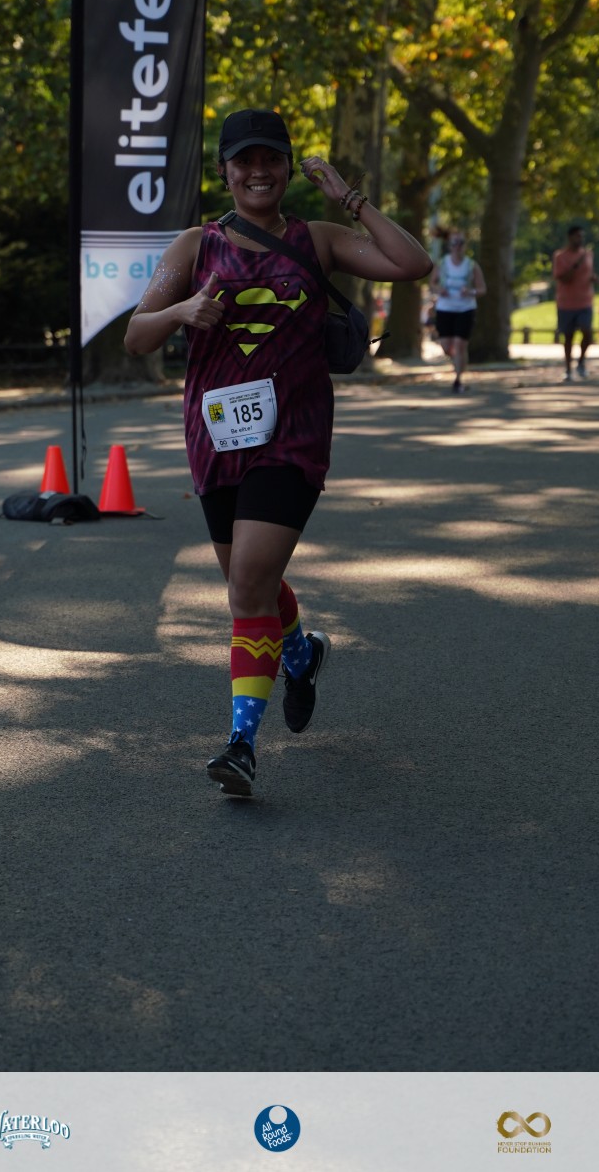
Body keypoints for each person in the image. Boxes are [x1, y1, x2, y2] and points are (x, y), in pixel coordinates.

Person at [124, 107, 432, 796]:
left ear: (289, 168)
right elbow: (137, 336)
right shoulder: (194, 248)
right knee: (251, 585)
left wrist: (349, 198)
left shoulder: (318, 239)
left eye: (271, 159)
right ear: (225, 170)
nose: (258, 172)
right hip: (216, 438)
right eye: (245, 161)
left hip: (293, 436)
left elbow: (413, 263)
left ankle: (241, 744)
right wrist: (181, 311)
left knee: (246, 585)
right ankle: (300, 652)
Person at [429, 231, 486, 393]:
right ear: (450, 246)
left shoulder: (472, 265)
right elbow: (432, 284)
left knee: (460, 345)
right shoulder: (442, 264)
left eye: (461, 243)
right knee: (447, 347)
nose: (458, 246)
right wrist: (439, 290)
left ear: (465, 246)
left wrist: (470, 292)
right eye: (455, 243)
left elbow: (482, 289)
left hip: (465, 308)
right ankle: (458, 363)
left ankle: (458, 380)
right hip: (445, 308)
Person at [552, 225, 595, 380]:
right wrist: (576, 265)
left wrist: (593, 278)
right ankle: (568, 369)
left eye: (582, 236)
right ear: (570, 237)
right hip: (566, 303)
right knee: (568, 337)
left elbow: (588, 273)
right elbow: (563, 278)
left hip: (585, 301)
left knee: (587, 331)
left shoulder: (588, 255)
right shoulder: (560, 256)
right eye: (577, 236)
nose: (580, 239)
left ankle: (581, 363)